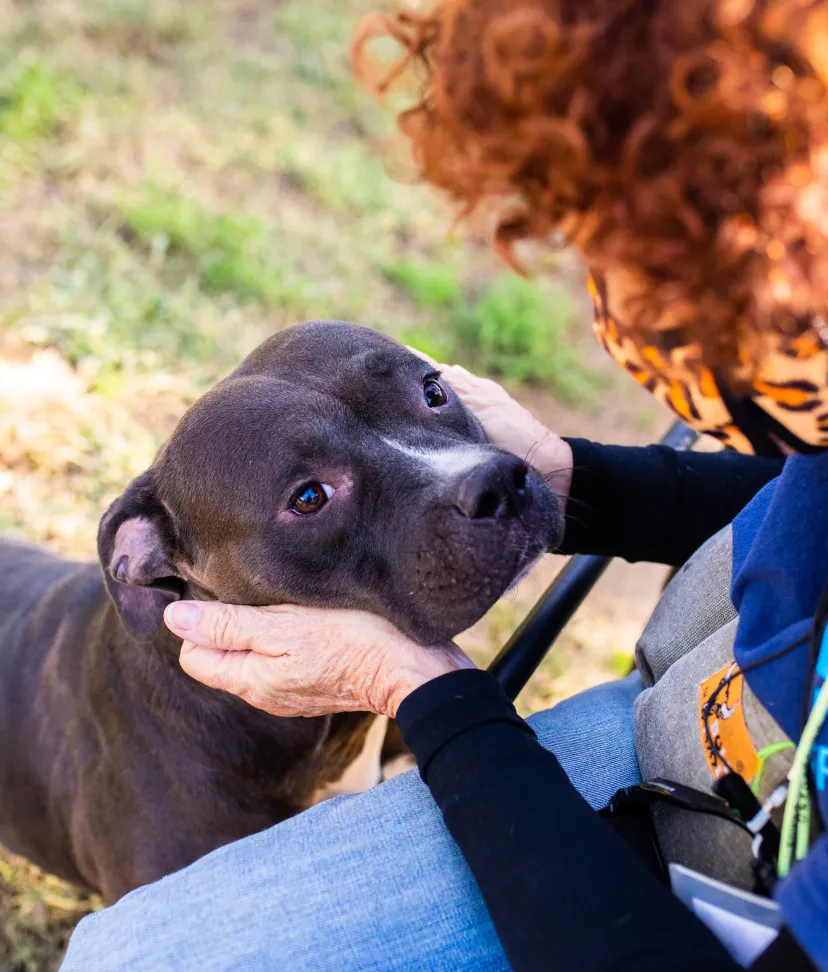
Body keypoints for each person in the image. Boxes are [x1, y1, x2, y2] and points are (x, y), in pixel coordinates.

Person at [60, 0, 828, 969]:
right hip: (692, 711)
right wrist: (581, 480)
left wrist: (422, 690)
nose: (620, 307)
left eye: (671, 255)